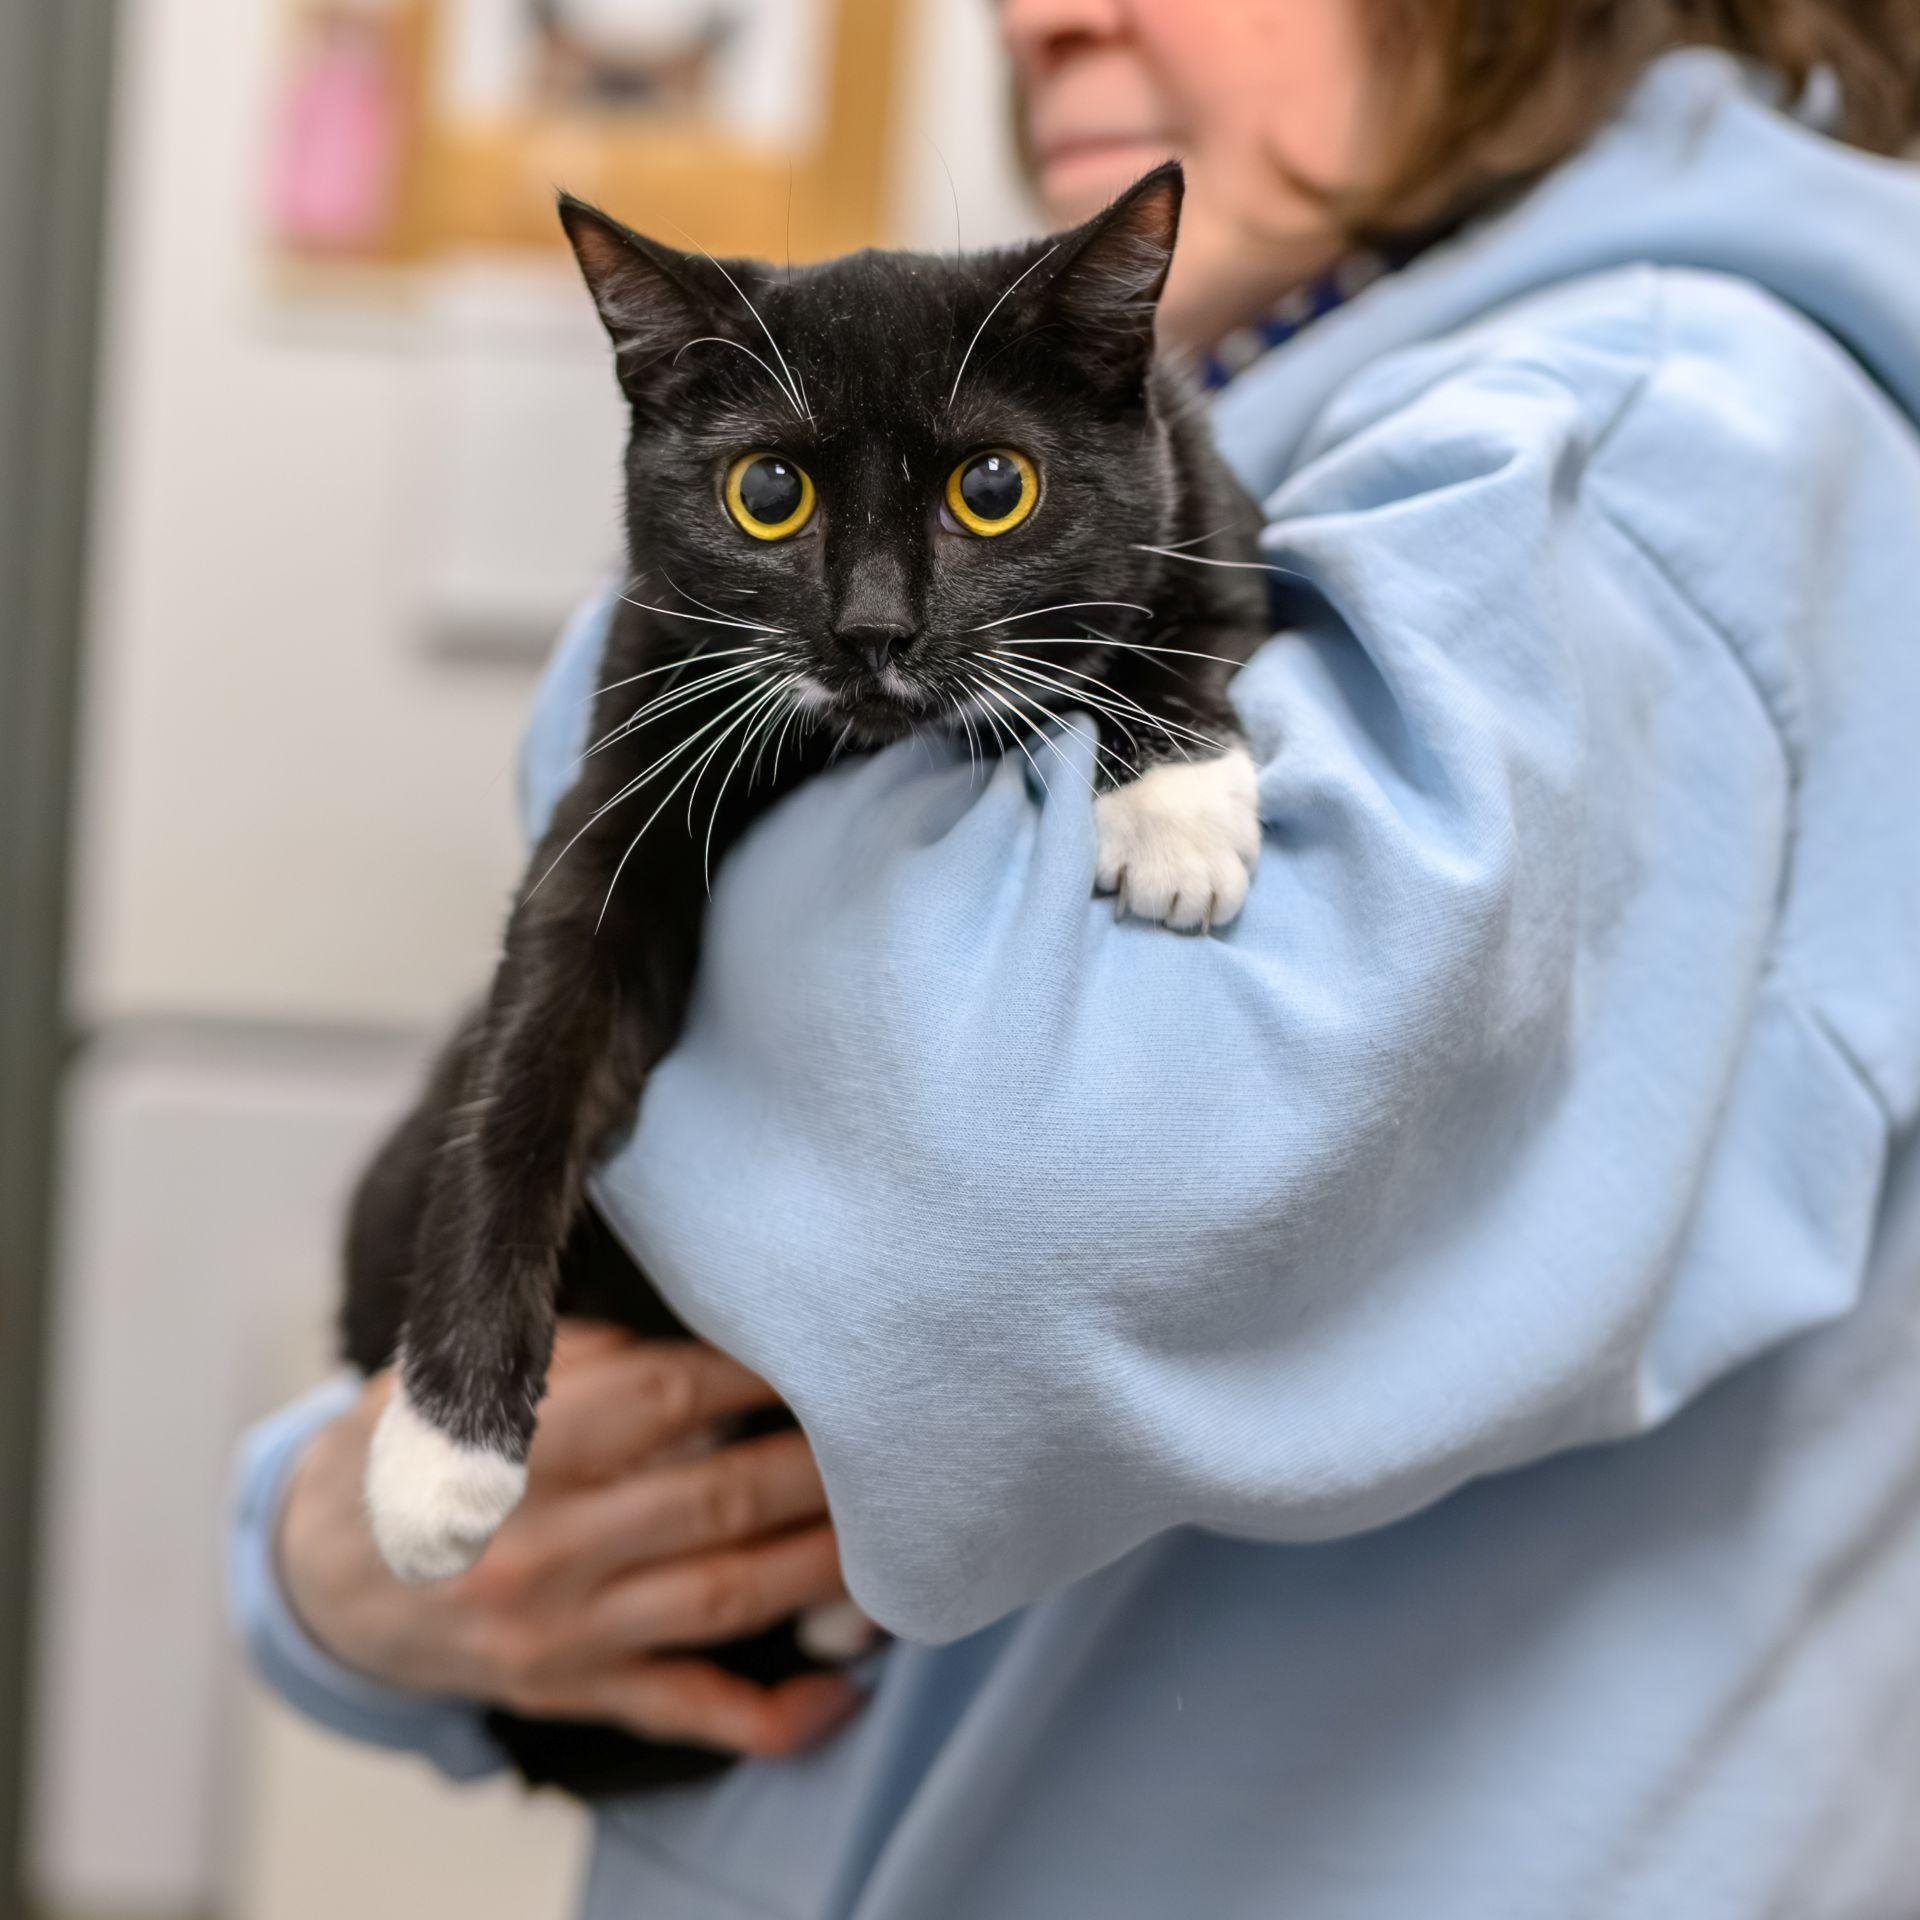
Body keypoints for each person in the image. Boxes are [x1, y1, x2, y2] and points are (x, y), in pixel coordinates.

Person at [231, 2, 1920, 1913]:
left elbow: (1027, 1210)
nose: (1043, 10)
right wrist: (324, 1565)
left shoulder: (1645, 441)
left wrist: (612, 736)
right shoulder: (1310, 363)